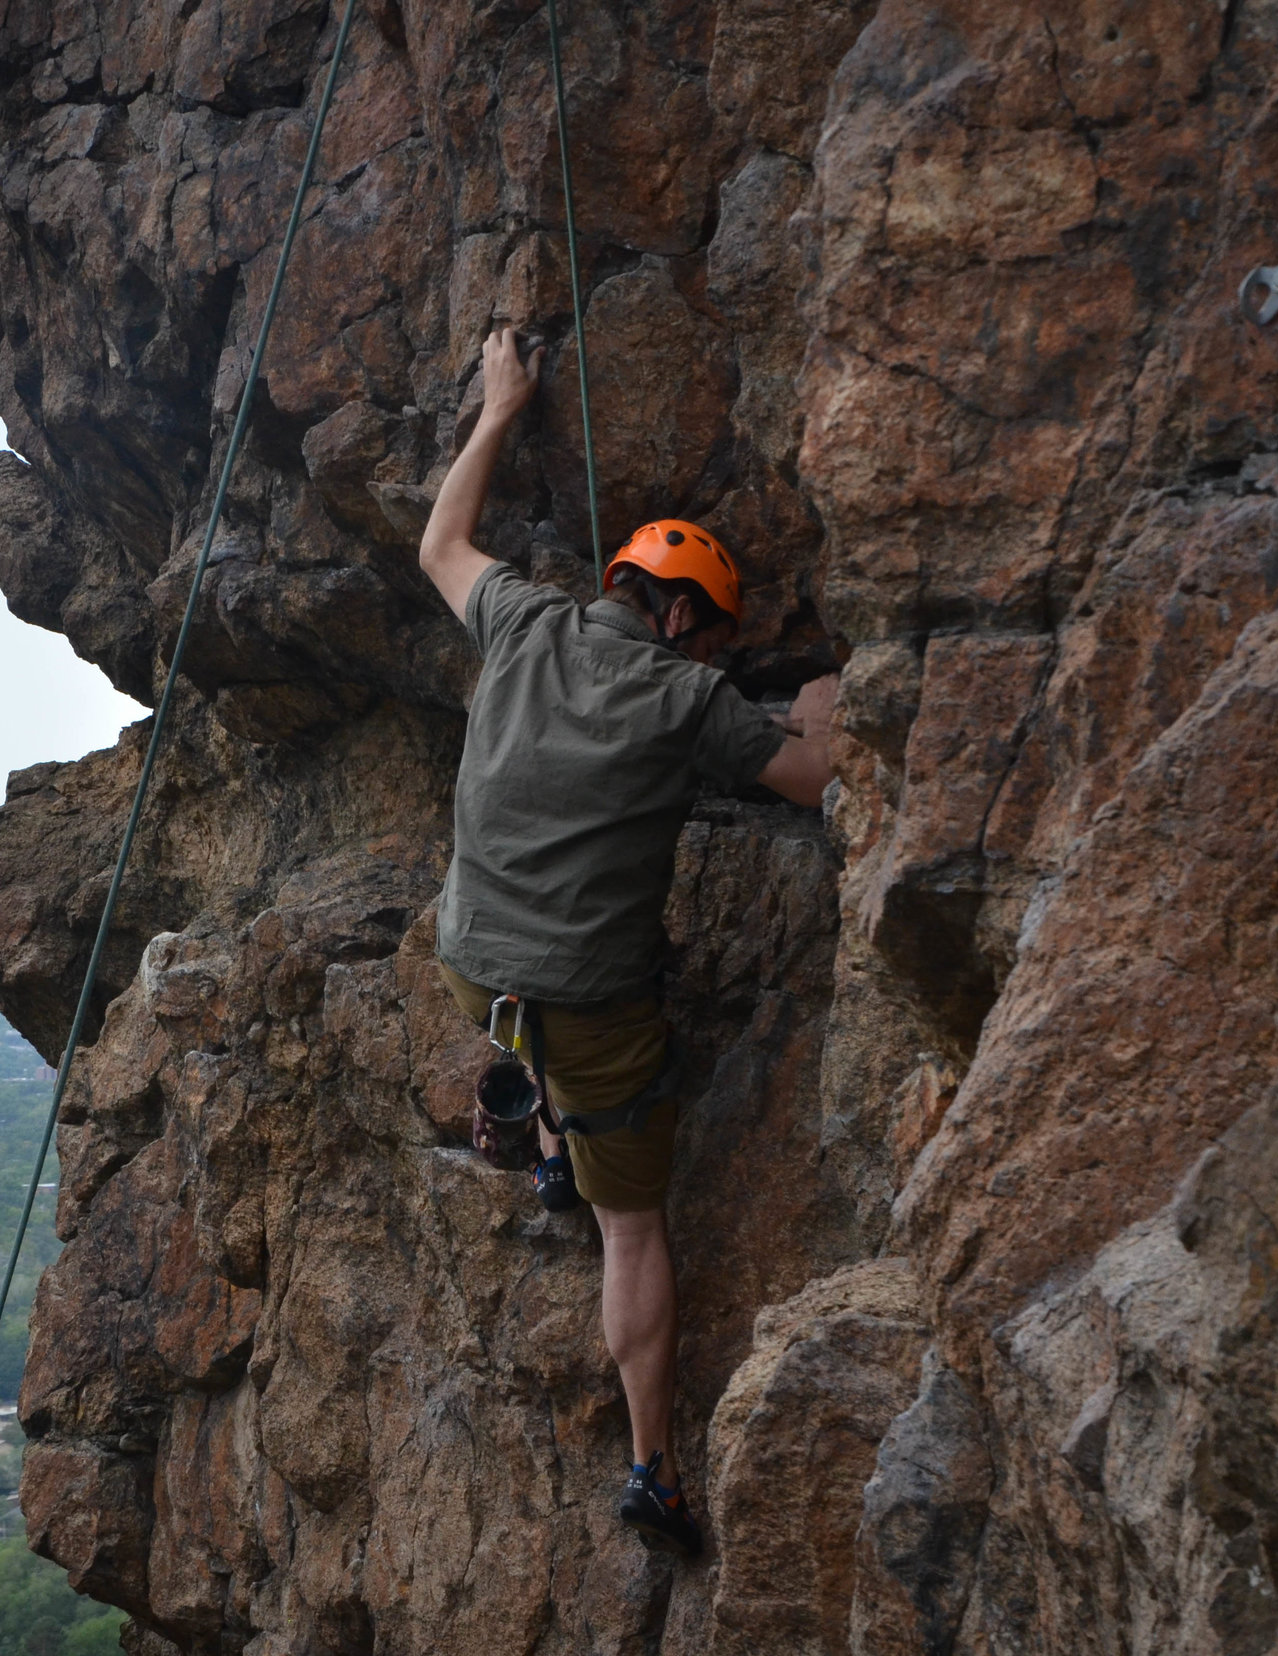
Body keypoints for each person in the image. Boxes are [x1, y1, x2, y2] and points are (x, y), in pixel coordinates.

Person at [418, 324, 840, 1556]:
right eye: (715, 638)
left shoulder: (524, 623)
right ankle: (652, 1471)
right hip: (585, 1007)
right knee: (634, 1226)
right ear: (691, 626)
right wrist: (825, 706)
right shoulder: (689, 698)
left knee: (537, 1028)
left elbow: (440, 543)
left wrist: (499, 409)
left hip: (469, 964)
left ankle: (540, 1127)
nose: (716, 656)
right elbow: (814, 779)